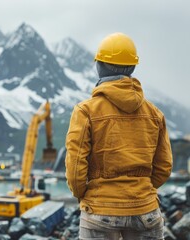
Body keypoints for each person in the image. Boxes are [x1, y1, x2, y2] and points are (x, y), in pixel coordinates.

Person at [65, 32, 173, 239]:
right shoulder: (154, 114)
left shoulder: (85, 111)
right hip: (146, 210)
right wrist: (141, 190)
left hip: (99, 210)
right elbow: (164, 167)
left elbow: (75, 166)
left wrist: (85, 195)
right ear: (132, 68)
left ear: (99, 66)